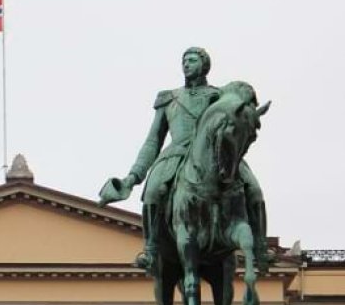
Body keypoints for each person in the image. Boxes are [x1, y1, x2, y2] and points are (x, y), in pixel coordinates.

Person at [101, 47, 268, 273]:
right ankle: (150, 250)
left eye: (192, 60)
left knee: (255, 190)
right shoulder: (169, 98)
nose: (186, 64)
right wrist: (133, 177)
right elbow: (153, 141)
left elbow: (240, 116)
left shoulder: (219, 96)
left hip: (218, 154)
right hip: (175, 154)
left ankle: (259, 249)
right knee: (152, 193)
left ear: (204, 65)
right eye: (184, 61)